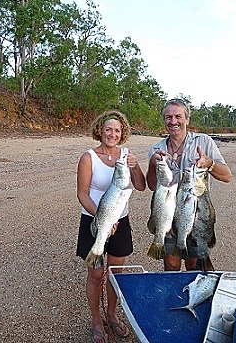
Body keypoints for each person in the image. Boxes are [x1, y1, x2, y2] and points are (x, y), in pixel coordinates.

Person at [76, 110, 146, 343]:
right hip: (94, 219)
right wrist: (102, 217)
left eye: (117, 130)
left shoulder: (126, 156)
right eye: (108, 129)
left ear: (122, 132)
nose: (112, 134)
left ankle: (111, 314)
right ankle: (97, 320)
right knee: (96, 275)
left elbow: (140, 186)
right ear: (100, 130)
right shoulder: (88, 157)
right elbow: (82, 194)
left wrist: (135, 167)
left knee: (115, 274)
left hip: (121, 221)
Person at [146, 98, 232, 272]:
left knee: (193, 264)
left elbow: (227, 176)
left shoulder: (204, 142)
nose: (173, 121)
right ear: (164, 120)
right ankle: (174, 296)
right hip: (167, 212)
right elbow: (151, 185)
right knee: (171, 263)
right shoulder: (156, 148)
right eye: (168, 117)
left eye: (178, 116)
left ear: (187, 119)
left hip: (195, 212)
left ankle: (191, 295)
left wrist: (209, 163)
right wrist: (152, 165)